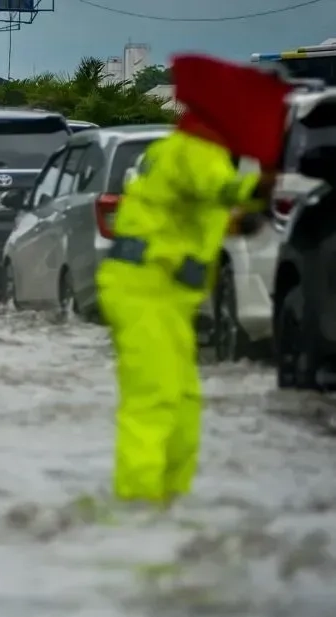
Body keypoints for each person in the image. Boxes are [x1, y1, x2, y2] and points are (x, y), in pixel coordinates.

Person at [95, 54, 292, 506]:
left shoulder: (192, 151)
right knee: (156, 398)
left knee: (183, 402)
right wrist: (264, 182)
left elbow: (213, 217)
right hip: (145, 289)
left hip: (165, 294)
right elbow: (224, 191)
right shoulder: (195, 151)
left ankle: (169, 501)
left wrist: (251, 213)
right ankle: (137, 507)